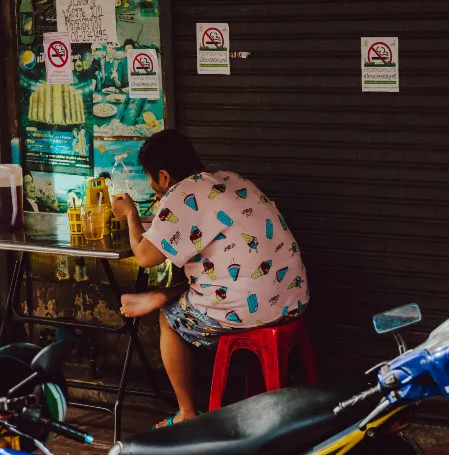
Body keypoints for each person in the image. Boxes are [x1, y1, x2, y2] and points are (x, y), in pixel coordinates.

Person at [111, 130, 310, 428]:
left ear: (163, 177)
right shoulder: (232, 179)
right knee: (208, 286)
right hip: (293, 300)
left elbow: (145, 257)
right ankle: (158, 296)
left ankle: (186, 414)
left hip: (248, 311)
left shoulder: (182, 194)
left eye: (150, 178)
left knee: (170, 320)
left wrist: (130, 213)